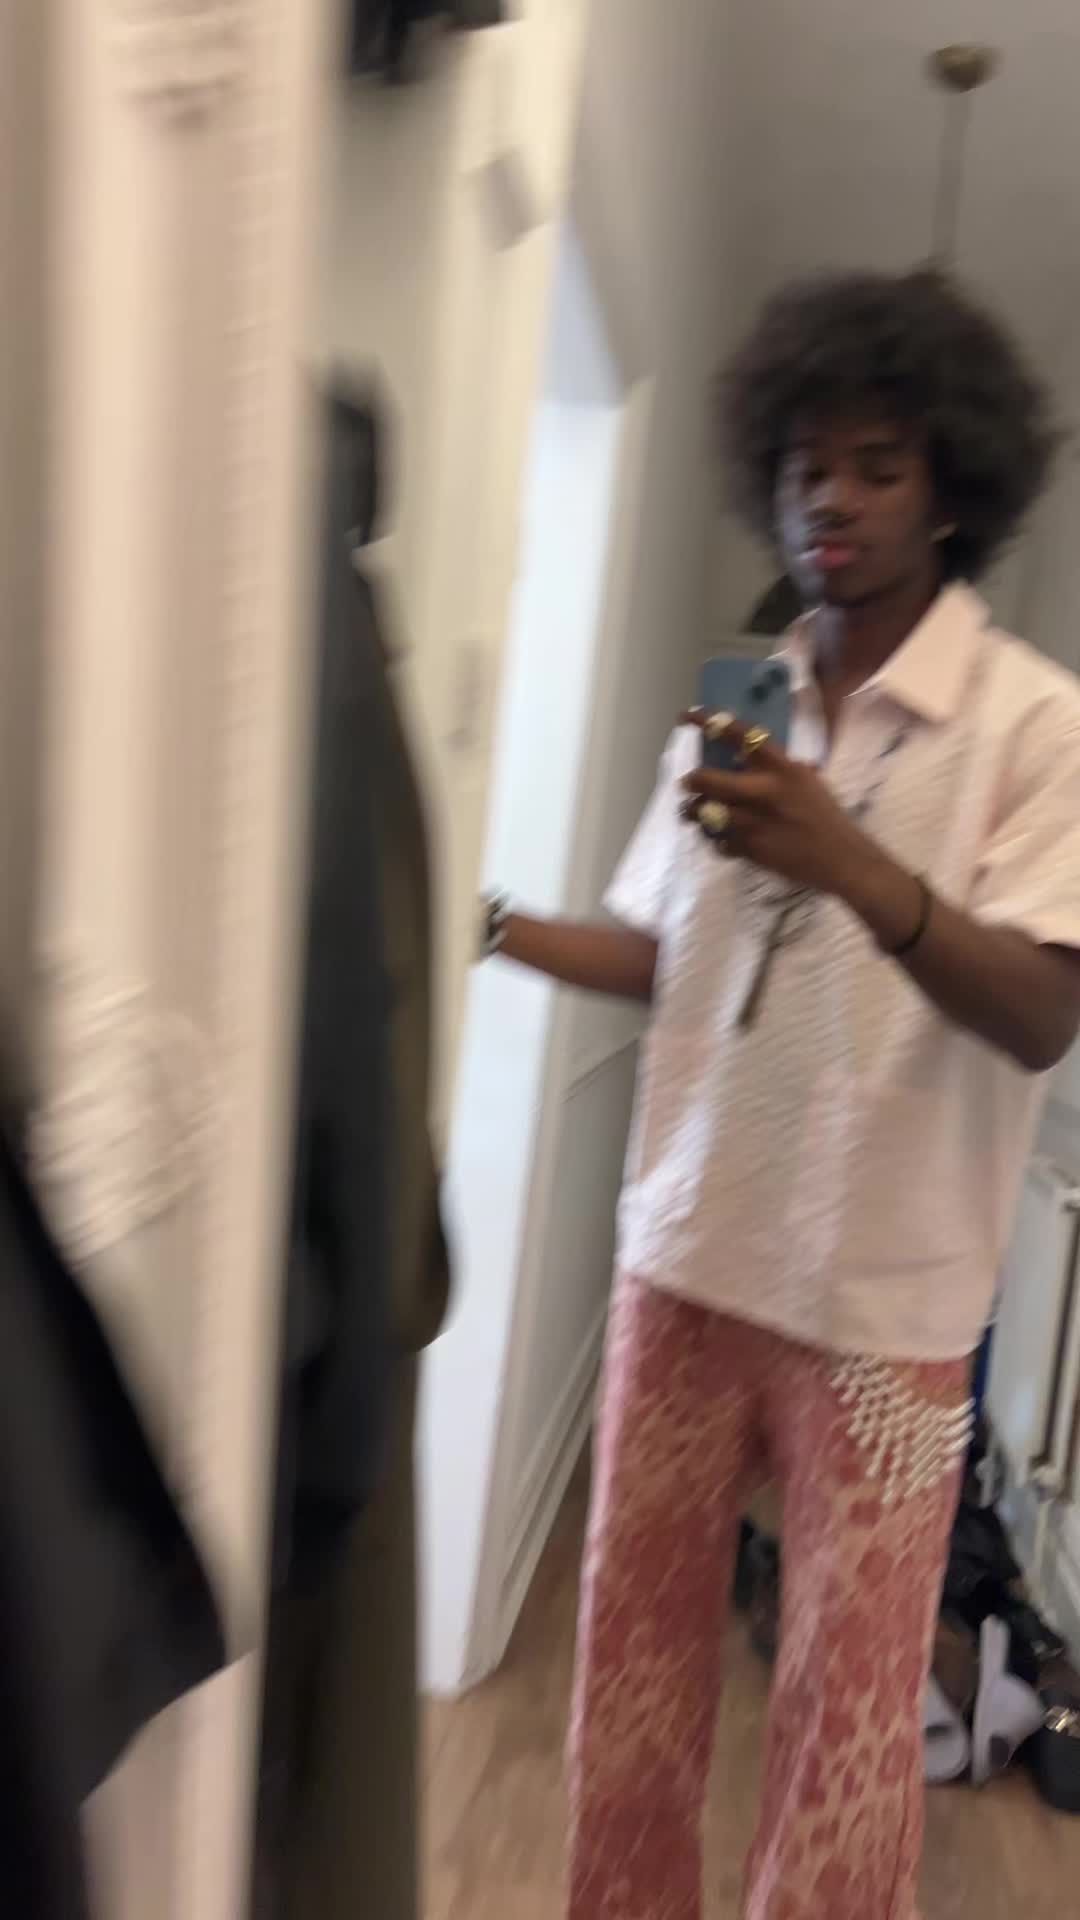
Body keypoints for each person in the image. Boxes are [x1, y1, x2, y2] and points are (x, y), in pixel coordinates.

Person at [477, 268, 1080, 1919]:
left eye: (880, 464)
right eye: (810, 465)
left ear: (950, 489)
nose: (836, 497)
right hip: (683, 1258)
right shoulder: (737, 710)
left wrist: (855, 865)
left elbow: (1041, 1014)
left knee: (844, 1720)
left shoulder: (1038, 726)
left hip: (887, 1306)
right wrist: (482, 924)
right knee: (631, 1675)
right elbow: (668, 953)